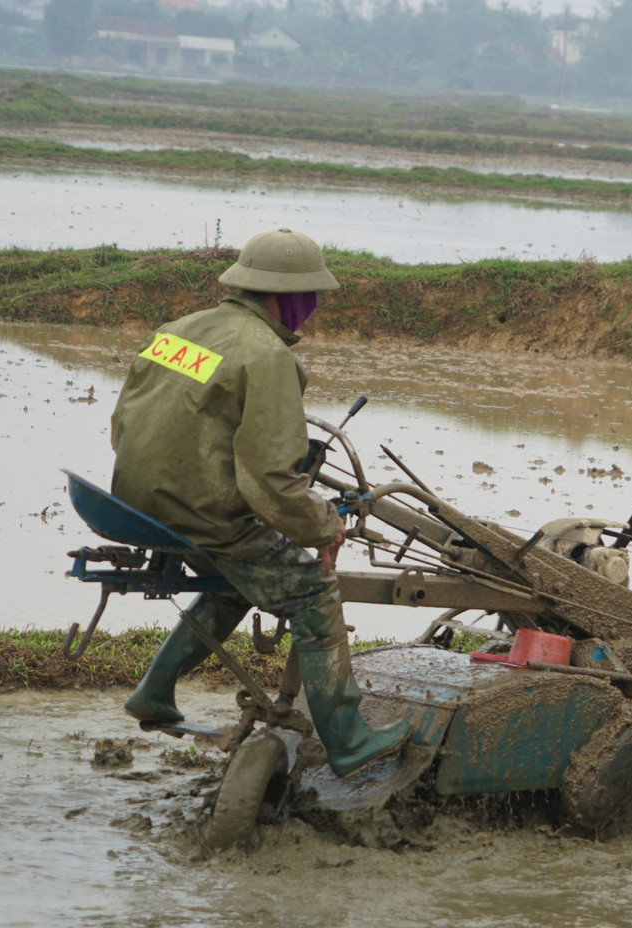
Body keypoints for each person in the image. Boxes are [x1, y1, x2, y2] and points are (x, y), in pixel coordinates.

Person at [112, 227, 409, 778]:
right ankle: (349, 742)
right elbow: (271, 479)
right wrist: (322, 525)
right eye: (311, 298)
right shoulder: (268, 356)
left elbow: (123, 424)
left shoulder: (176, 331)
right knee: (313, 594)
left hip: (134, 504)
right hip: (200, 514)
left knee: (237, 579)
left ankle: (153, 693)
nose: (313, 309)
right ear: (286, 296)